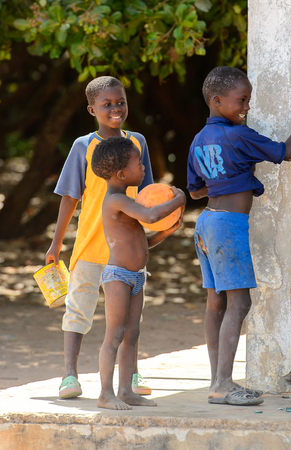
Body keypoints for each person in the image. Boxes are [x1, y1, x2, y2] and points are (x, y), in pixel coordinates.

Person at [187, 66, 291, 406]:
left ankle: (217, 379)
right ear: (217, 101)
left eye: (248, 100)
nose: (246, 107)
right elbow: (284, 152)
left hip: (206, 223)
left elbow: (196, 191)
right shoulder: (238, 135)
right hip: (229, 226)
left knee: (216, 303)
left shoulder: (199, 140)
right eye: (241, 100)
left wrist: (233, 178)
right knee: (240, 303)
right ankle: (222, 384)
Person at [46, 76, 154, 399]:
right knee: (78, 309)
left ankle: (131, 375)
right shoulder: (84, 146)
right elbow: (70, 197)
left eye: (120, 102)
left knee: (131, 319)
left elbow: (147, 193)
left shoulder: (138, 143)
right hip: (90, 247)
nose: (115, 108)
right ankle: (69, 375)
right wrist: (56, 243)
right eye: (106, 104)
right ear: (92, 109)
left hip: (126, 251)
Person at [91, 136, 186, 409]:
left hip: (136, 276)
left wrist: (166, 233)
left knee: (132, 333)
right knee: (115, 334)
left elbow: (142, 241)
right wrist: (178, 198)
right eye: (138, 162)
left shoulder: (126, 199)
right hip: (118, 276)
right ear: (122, 174)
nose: (143, 165)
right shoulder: (116, 200)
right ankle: (105, 394)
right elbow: (152, 216)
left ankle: (126, 390)